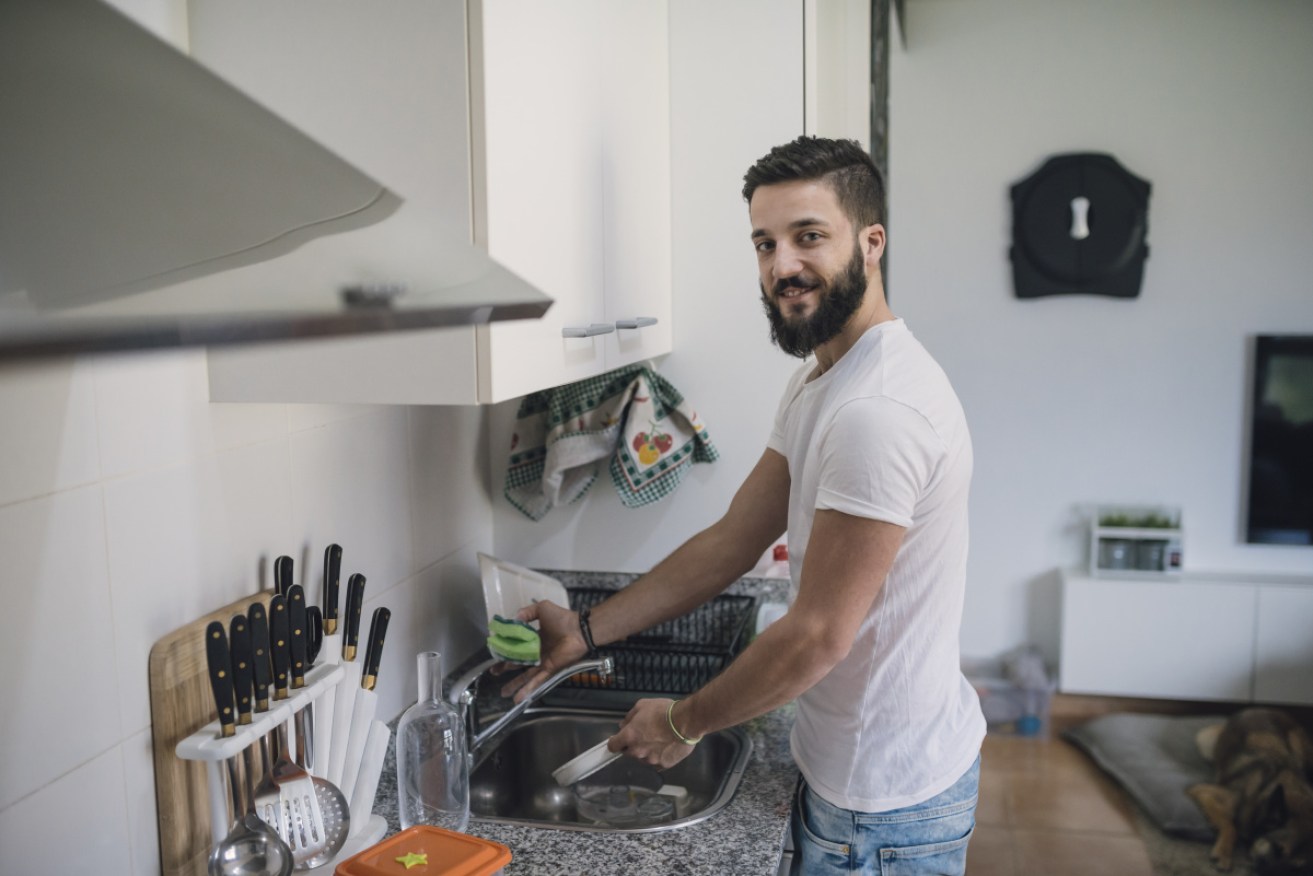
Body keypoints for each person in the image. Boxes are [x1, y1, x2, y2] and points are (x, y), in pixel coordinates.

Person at [504, 135, 985, 875]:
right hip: (856, 770)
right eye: (764, 243)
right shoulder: (822, 379)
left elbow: (818, 635)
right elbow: (734, 538)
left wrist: (682, 721)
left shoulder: (877, 412)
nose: (781, 266)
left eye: (808, 237)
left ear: (871, 242)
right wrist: (587, 631)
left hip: (882, 806)